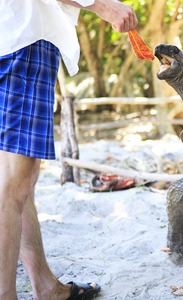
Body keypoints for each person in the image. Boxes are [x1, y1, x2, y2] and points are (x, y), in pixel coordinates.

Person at [0, 0, 138, 299]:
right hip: (22, 41)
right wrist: (103, 5)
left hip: (9, 37)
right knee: (12, 186)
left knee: (17, 181)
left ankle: (45, 285)